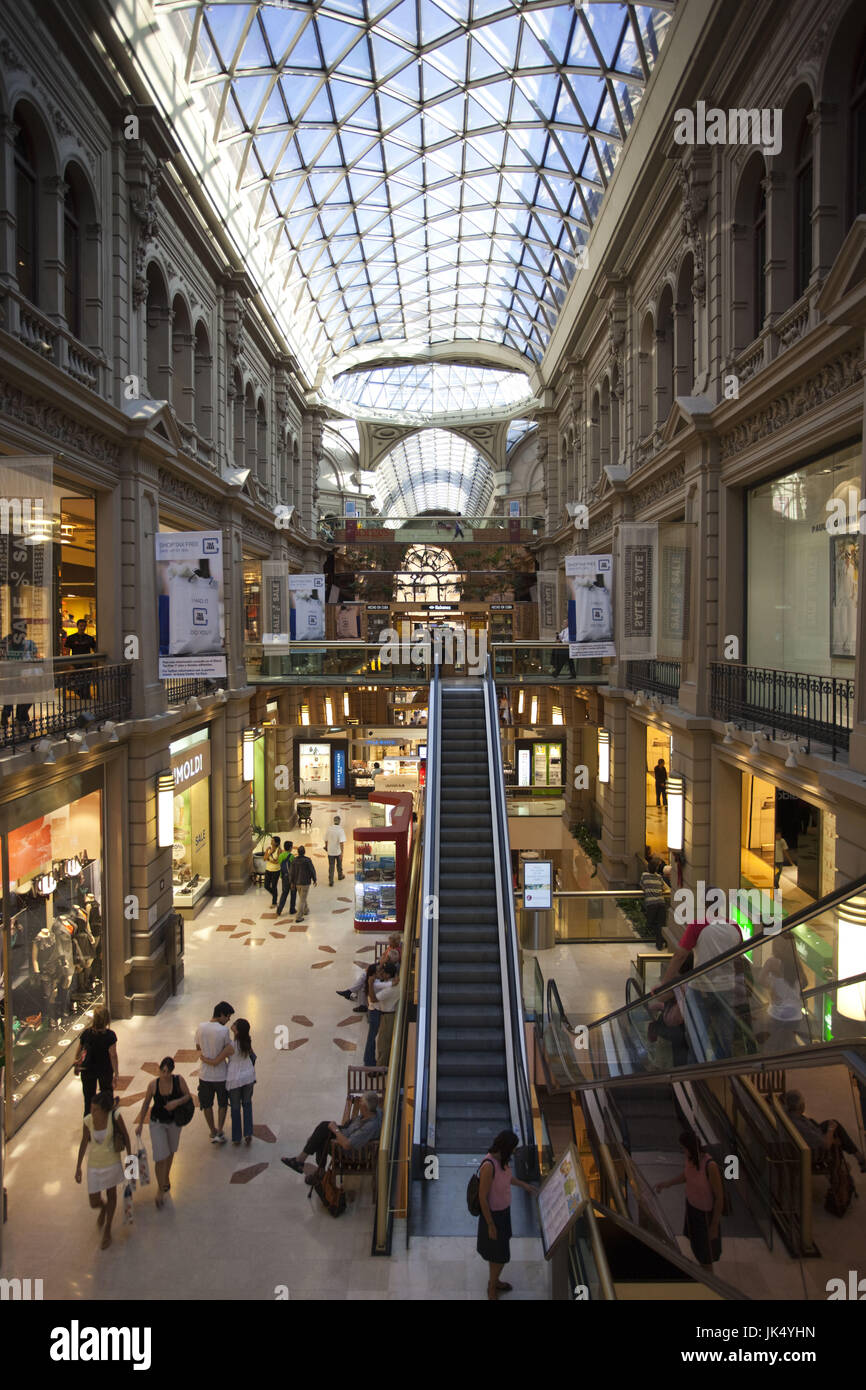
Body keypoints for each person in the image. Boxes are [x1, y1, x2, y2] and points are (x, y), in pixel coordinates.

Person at [658, 903, 743, 1062]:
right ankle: (722, 1073)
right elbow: (738, 959)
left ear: (705, 904)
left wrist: (664, 984)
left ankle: (697, 1075)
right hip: (727, 988)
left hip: (700, 989)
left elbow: (680, 956)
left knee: (697, 1036)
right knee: (725, 1037)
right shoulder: (735, 927)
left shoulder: (698, 925)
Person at [476, 1129, 537, 1299]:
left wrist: (524, 1185)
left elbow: (507, 1178)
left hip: (504, 1213)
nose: (514, 1151)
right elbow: (482, 1197)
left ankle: (494, 1281)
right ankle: (492, 1286)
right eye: (513, 1148)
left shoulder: (503, 1161)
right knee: (499, 1255)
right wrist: (490, 1224)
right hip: (494, 1216)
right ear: (505, 1147)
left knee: (499, 1254)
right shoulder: (488, 1165)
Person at [654, 1130, 723, 1271]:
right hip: (692, 1209)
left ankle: (709, 1282)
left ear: (690, 1147)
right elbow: (686, 1176)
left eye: (684, 1148)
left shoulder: (710, 1166)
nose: (683, 1151)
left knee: (705, 1255)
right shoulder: (690, 1160)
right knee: (697, 1247)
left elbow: (719, 1197)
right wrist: (667, 1183)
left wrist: (714, 1225)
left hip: (705, 1216)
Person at [74, 1090, 131, 1249]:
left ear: (104, 1109)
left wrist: (130, 1159)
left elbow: (126, 1137)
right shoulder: (88, 1121)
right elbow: (84, 1142)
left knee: (111, 1194)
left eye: (95, 1109)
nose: (92, 1112)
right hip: (94, 1164)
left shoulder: (115, 1117)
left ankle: (108, 1229)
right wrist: (78, 1166)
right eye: (91, 1109)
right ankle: (103, 1208)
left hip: (112, 1162)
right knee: (94, 1201)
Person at [134, 1057, 192, 1206]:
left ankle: (165, 1178)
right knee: (160, 1156)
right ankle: (160, 1189)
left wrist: (176, 1102)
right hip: (157, 1122)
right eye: (163, 1071)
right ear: (159, 1070)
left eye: (168, 1072)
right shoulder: (153, 1085)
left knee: (171, 1151)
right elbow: (146, 1103)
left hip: (174, 1123)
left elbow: (187, 1096)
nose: (165, 1074)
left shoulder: (178, 1081)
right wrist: (140, 1124)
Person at [281, 1091, 382, 1176]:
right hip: (347, 1132)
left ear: (365, 1107)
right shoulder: (374, 1110)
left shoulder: (369, 1127)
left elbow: (347, 1145)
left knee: (322, 1139)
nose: (359, 1103)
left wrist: (336, 1130)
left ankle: (307, 1165)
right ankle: (305, 1163)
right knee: (323, 1129)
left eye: (361, 1102)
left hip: (350, 1151)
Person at [782, 1090, 866, 1171]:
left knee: (834, 1124)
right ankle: (857, 1160)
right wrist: (830, 1130)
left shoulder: (791, 1114)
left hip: (814, 1132)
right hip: (814, 1147)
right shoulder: (800, 1126)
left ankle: (858, 1158)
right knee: (835, 1129)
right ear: (800, 1106)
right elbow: (826, 1144)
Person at [194, 1001, 234, 1144]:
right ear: (221, 1014)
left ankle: (212, 1130)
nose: (228, 1020)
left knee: (206, 1104)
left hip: (205, 1074)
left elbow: (197, 1046)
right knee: (222, 1103)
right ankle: (220, 1130)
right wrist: (216, 1059)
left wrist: (206, 1057)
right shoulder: (223, 1031)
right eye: (228, 1017)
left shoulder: (201, 1027)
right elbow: (228, 1049)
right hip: (221, 1075)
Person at [759, 940, 809, 1052]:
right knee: (788, 1043)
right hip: (795, 1012)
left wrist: (772, 988)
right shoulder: (796, 962)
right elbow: (805, 983)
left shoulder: (772, 962)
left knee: (771, 1043)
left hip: (778, 1010)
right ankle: (787, 1065)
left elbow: (761, 979)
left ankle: (771, 1066)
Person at [73, 1005, 119, 1115]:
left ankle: (88, 1125)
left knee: (88, 1100)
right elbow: (113, 1055)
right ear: (107, 1019)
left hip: (88, 1070)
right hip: (105, 1070)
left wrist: (76, 1064)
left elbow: (79, 1051)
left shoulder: (86, 1034)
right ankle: (106, 1122)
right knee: (107, 1096)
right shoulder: (110, 1036)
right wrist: (116, 1073)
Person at [226, 1017, 257, 1147]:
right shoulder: (247, 1043)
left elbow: (218, 1059)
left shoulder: (231, 1046)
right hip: (248, 1077)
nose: (232, 1024)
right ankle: (248, 1133)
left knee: (235, 1107)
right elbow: (253, 1057)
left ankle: (237, 1137)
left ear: (237, 1031)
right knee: (247, 1104)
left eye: (234, 1024)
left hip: (234, 1079)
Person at [1, 622, 38, 731]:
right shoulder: (13, 642)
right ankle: (19, 718)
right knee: (22, 697)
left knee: (16, 697)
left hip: (15, 676)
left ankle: (13, 716)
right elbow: (34, 656)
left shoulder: (8, 641)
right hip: (17, 676)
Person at [375, 961, 400, 1067]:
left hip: (388, 1016)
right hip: (387, 1015)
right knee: (381, 1040)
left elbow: (373, 998)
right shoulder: (391, 983)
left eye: (384, 972)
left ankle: (380, 1067)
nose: (381, 974)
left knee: (383, 1043)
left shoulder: (390, 989)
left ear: (389, 975)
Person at [640, 856, 668, 950]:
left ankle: (660, 942)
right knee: (661, 923)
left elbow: (642, 886)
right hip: (661, 902)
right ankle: (662, 942)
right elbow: (664, 888)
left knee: (651, 923)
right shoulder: (659, 877)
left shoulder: (644, 876)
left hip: (651, 903)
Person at [290, 845, 317, 923]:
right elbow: (312, 870)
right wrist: (314, 879)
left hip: (297, 883)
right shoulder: (307, 860)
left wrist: (291, 882)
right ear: (304, 852)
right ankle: (299, 917)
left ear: (298, 852)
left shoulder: (294, 861)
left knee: (302, 897)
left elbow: (291, 873)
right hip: (305, 882)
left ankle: (306, 910)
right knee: (302, 899)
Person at [324, 814, 346, 886]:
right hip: (338, 851)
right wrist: (342, 853)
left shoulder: (329, 829)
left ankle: (331, 880)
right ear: (339, 822)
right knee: (339, 864)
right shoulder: (340, 830)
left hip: (330, 851)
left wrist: (326, 847)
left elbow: (326, 840)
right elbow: (341, 843)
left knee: (331, 865)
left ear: (334, 821)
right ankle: (340, 876)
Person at [276, 839, 296, 916]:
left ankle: (279, 910)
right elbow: (293, 868)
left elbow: (279, 865)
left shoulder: (281, 855)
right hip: (291, 878)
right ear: (290, 848)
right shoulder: (291, 856)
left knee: (284, 893)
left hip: (283, 877)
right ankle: (292, 909)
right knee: (293, 893)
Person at [263, 834, 282, 907]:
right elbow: (264, 859)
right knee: (266, 886)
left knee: (274, 886)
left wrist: (269, 859)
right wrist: (270, 852)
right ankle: (275, 894)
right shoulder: (268, 849)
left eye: (273, 840)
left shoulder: (279, 850)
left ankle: (274, 902)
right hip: (268, 869)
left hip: (276, 870)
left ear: (276, 843)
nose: (271, 841)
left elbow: (277, 862)